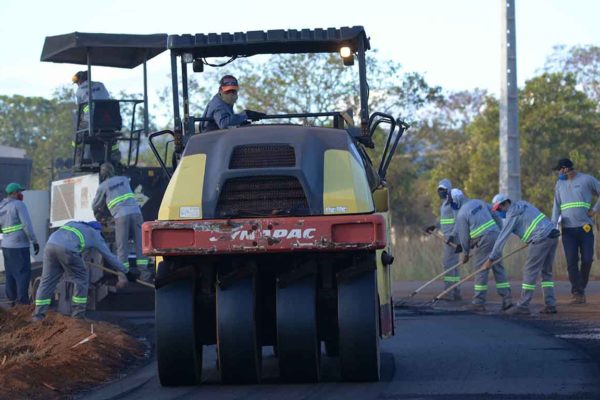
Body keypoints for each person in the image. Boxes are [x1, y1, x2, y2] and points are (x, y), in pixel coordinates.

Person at [32, 220, 135, 320]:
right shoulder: (95, 234)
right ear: (99, 230)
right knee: (81, 279)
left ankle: (38, 315)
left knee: (47, 282)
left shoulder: (74, 224)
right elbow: (110, 257)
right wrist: (126, 272)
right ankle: (78, 315)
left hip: (50, 246)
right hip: (68, 250)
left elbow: (76, 243)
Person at [484, 194, 561, 314]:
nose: (499, 212)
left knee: (529, 271)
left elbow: (501, 238)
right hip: (552, 235)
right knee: (546, 272)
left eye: (499, 209)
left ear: (505, 204)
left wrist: (490, 259)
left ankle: (523, 305)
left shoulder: (511, 215)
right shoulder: (523, 204)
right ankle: (551, 304)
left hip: (540, 239)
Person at [449, 189, 512, 312]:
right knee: (498, 268)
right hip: (495, 236)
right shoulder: (479, 202)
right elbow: (495, 214)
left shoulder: (462, 214)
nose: (452, 204)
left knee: (481, 270)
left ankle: (478, 302)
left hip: (484, 241)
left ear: (457, 200)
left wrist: (465, 254)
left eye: (452, 202)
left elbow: (464, 237)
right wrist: (500, 231)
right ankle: (507, 299)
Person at [551, 158, 600, 304]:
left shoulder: (587, 179)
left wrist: (595, 209)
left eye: (559, 170)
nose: (558, 173)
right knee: (572, 261)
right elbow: (556, 207)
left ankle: (580, 287)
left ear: (565, 169)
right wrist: (552, 227)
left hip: (585, 228)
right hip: (568, 231)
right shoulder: (559, 184)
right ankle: (577, 292)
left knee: (587, 259)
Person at [92, 163, 149, 280]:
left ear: (102, 174)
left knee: (122, 247)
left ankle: (123, 278)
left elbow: (95, 205)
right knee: (141, 244)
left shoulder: (103, 186)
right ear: (113, 170)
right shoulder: (123, 179)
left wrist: (100, 213)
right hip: (136, 213)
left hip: (121, 216)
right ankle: (145, 275)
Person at [0, 183, 39, 306]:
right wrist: (34, 241)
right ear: (15, 193)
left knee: (10, 273)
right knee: (22, 273)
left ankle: (11, 301)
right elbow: (27, 225)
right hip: (19, 245)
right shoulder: (19, 205)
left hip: (6, 246)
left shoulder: (2, 206)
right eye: (20, 192)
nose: (21, 194)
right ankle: (23, 303)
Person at [425, 179, 462, 300]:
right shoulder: (445, 203)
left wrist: (452, 235)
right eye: (439, 190)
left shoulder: (453, 202)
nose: (440, 192)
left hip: (453, 237)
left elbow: (458, 219)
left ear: (448, 190)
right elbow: (444, 219)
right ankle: (456, 292)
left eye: (443, 189)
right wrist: (435, 226)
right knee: (454, 265)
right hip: (448, 236)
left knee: (448, 264)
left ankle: (449, 292)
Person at [200, 75, 265, 132]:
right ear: (220, 90)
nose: (231, 94)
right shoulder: (218, 105)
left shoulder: (225, 101)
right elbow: (223, 123)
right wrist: (245, 115)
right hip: (212, 139)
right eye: (228, 91)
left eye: (233, 91)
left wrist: (240, 122)